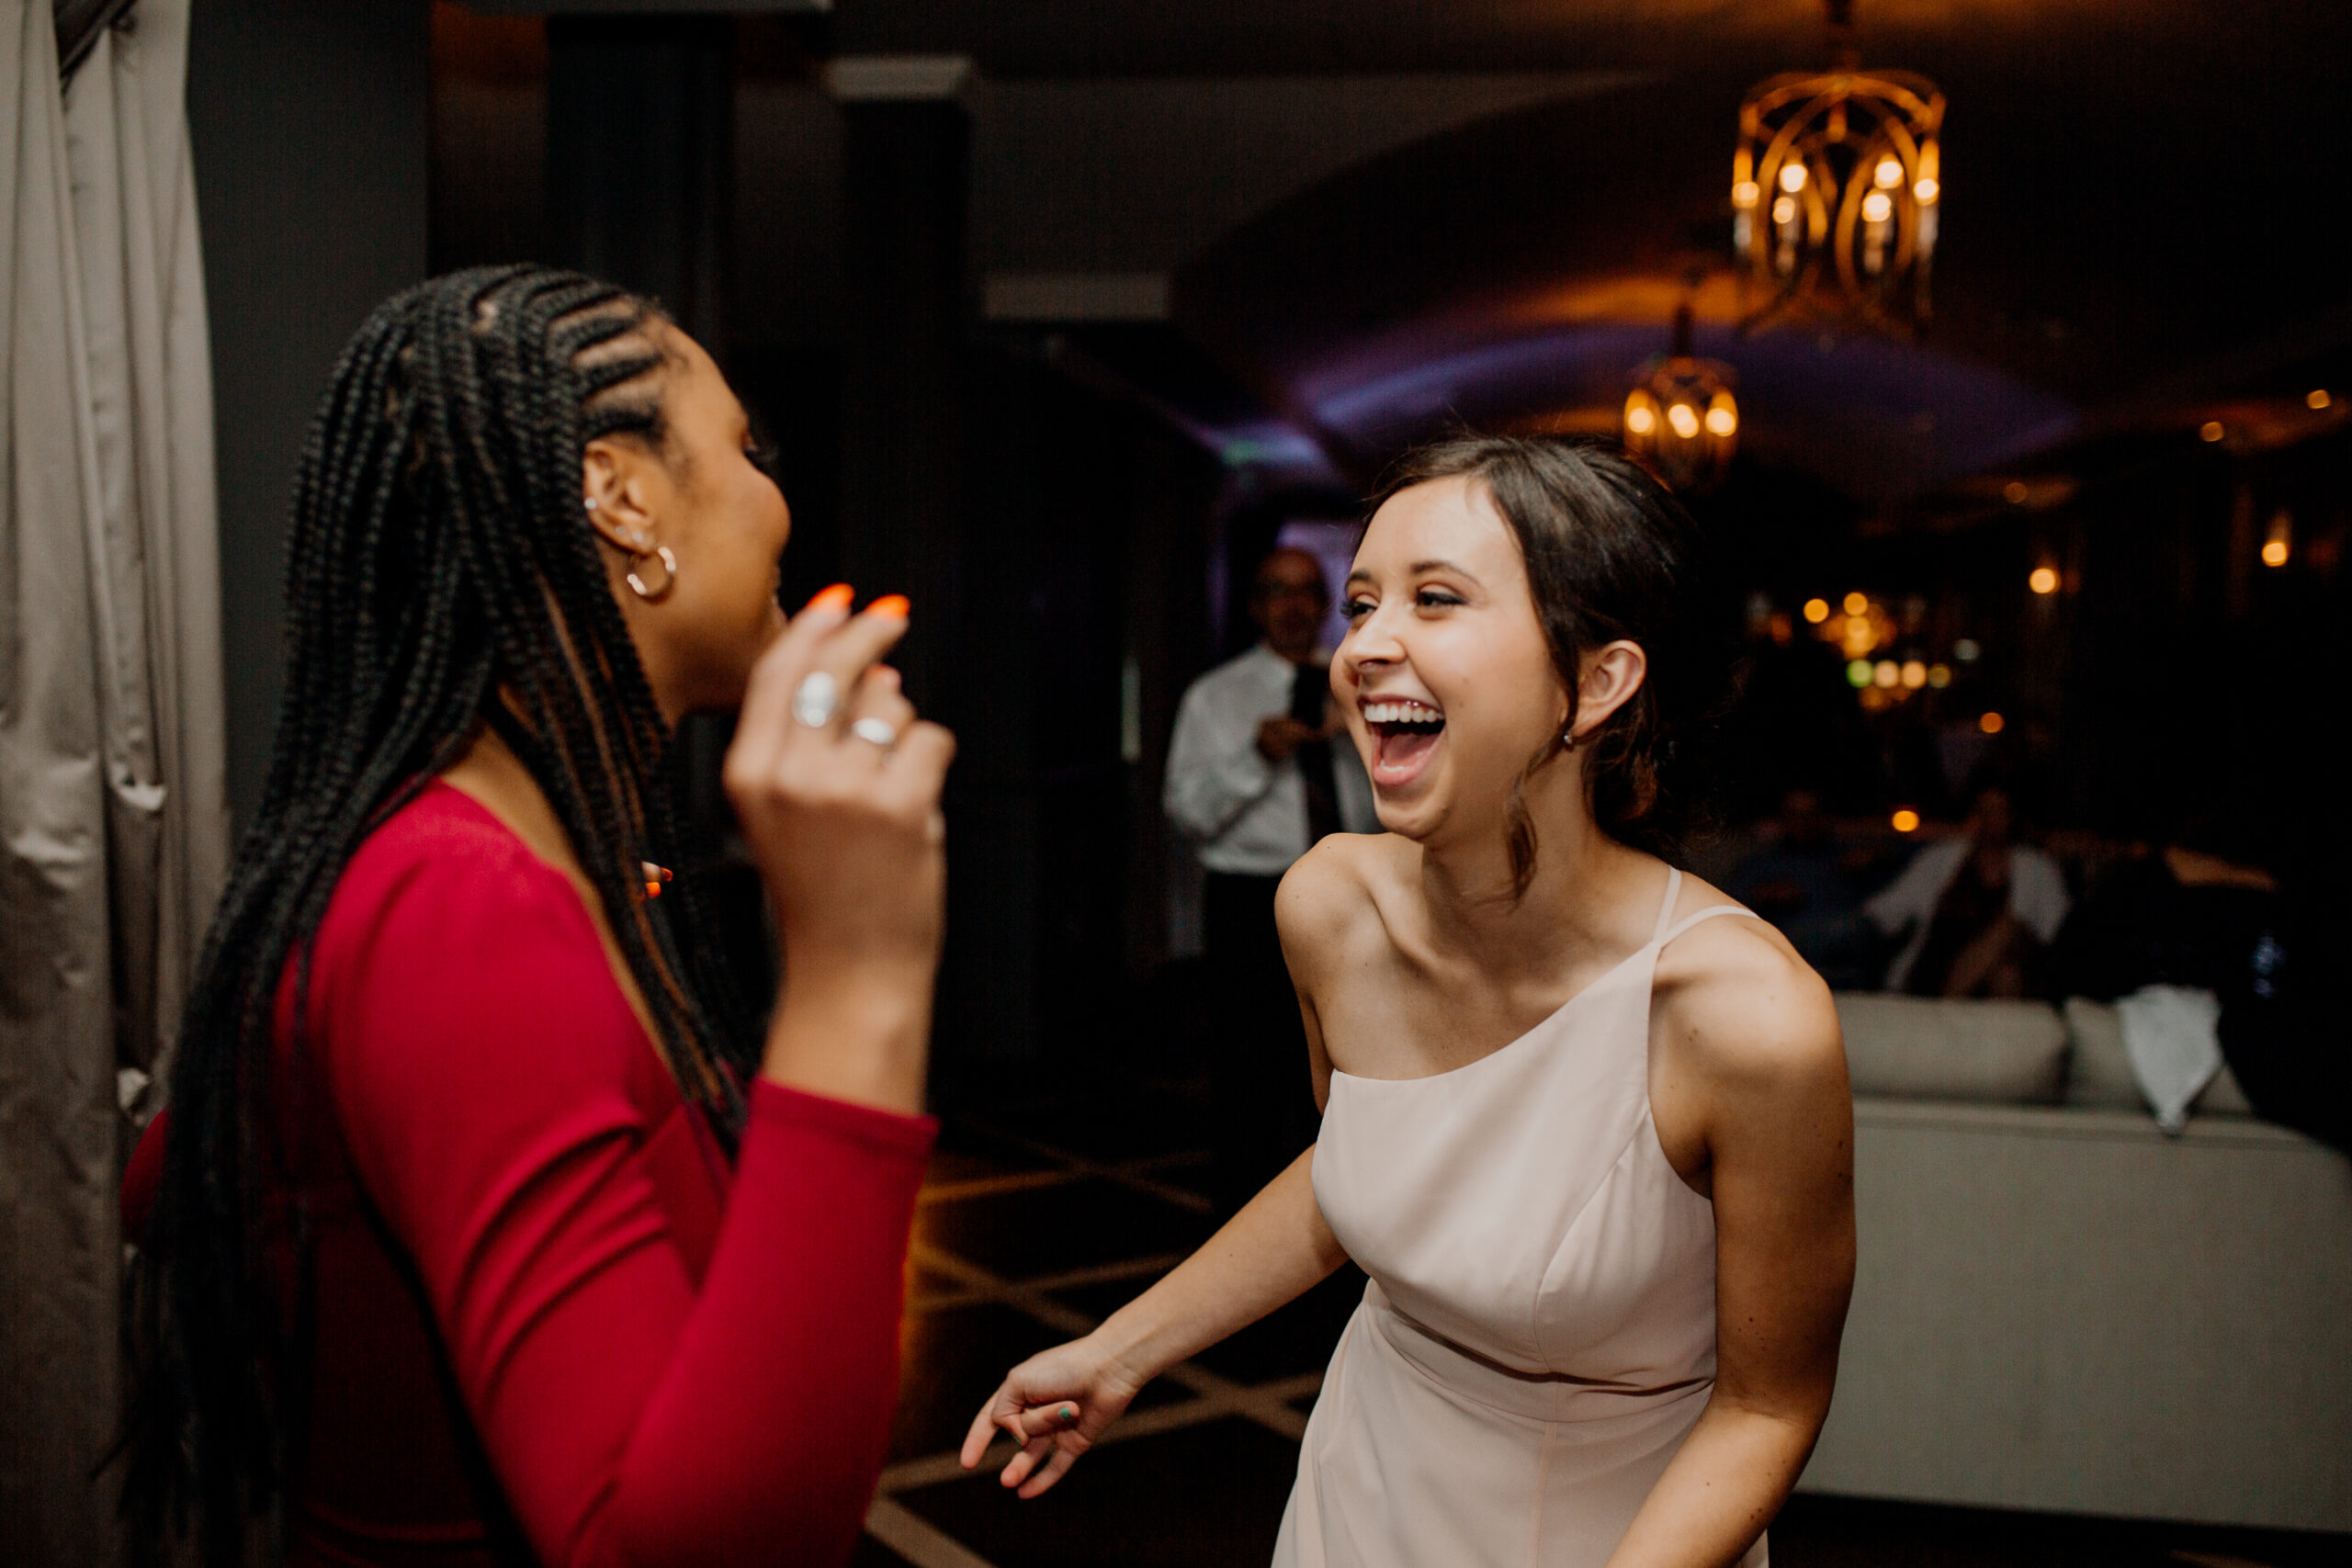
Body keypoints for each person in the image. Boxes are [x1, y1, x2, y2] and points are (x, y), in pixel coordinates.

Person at [119, 267, 955, 1568]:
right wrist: (861, 967)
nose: (777, 497)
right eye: (746, 446)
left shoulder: (542, 856)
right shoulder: (459, 899)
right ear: (621, 497)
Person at [966, 435, 1854, 1567]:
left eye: (1434, 601)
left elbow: (1768, 1409)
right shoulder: (1328, 909)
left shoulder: (1748, 1019)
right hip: (1363, 1491)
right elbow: (1361, 1175)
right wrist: (1119, 1351)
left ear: (1593, 681)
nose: (1363, 647)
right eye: (1361, 602)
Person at [1164, 547, 1375, 1209]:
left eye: (1307, 590)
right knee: (1250, 1070)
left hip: (1355, 897)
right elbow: (1188, 813)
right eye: (1276, 589)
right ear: (1255, 605)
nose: (1293, 604)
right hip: (1251, 900)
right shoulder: (1215, 696)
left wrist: (1362, 736)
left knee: (1355, 1064)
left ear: (1324, 605)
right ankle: (1246, 1220)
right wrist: (1257, 756)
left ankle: (1346, 1213)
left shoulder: (1363, 687)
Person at [1864, 781, 2068, 997]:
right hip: (1941, 961)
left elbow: (2058, 931)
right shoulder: (1942, 858)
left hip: (2007, 968)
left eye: (1999, 811)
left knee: (2008, 960)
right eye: (1985, 811)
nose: (1992, 819)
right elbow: (1894, 904)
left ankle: (1949, 1008)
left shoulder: (2037, 868)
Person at [1724, 787, 1881, 990]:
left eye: (1810, 815)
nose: (1803, 822)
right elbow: (1731, 905)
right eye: (1795, 815)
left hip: (1850, 951)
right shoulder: (1765, 862)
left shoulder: (1843, 858)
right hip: (1790, 944)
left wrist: (1872, 863)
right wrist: (1766, 893)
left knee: (1857, 929)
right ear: (1783, 820)